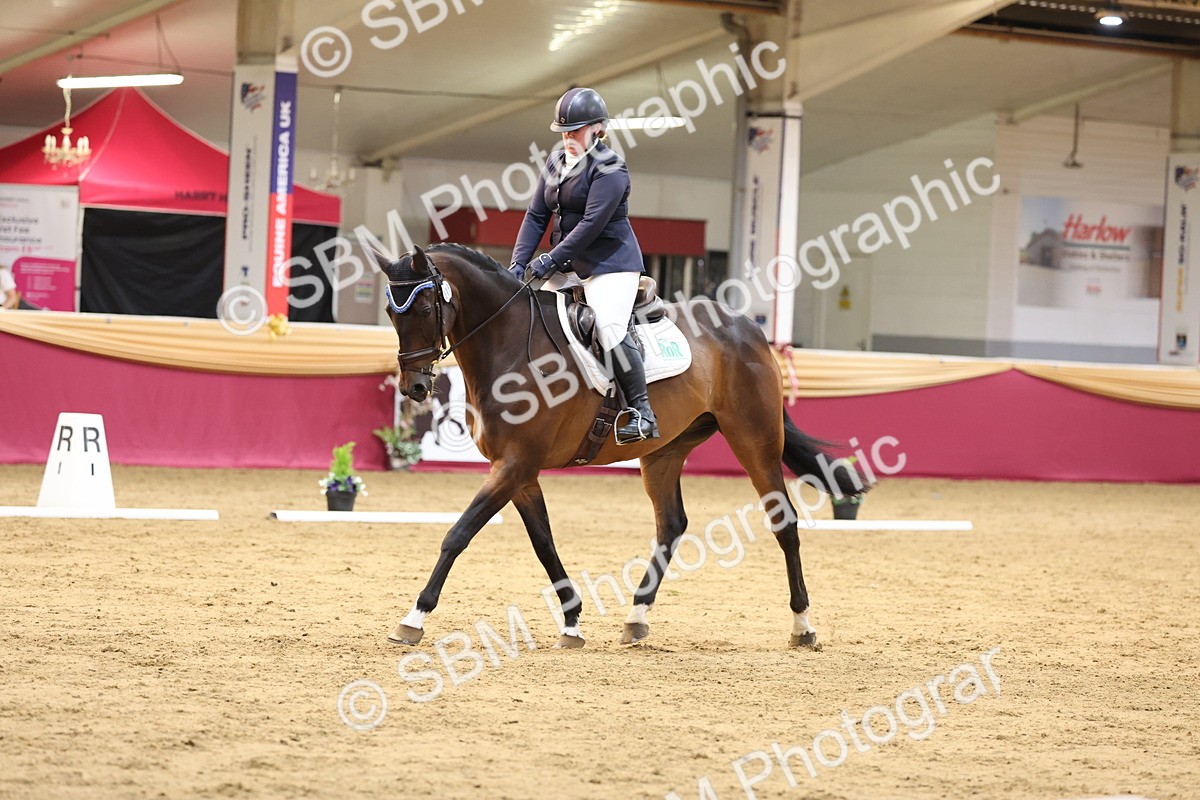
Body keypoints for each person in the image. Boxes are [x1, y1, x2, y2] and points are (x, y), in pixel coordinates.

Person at [509, 87, 659, 445]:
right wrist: (517, 265)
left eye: (575, 131)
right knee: (532, 323)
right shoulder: (555, 162)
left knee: (607, 327)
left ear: (598, 129)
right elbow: (535, 216)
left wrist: (550, 259)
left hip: (610, 263)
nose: (568, 138)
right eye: (564, 132)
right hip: (567, 262)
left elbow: (591, 225)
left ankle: (641, 412)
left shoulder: (611, 169)